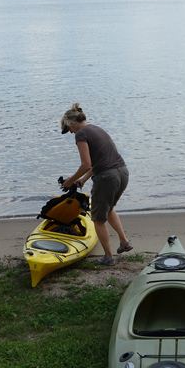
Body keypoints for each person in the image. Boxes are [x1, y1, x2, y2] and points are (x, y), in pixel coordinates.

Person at [59, 103, 132, 264]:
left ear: (71, 123)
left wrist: (68, 182)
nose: (70, 132)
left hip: (107, 177)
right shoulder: (97, 129)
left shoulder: (81, 134)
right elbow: (99, 161)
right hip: (122, 172)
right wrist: (83, 179)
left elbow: (85, 164)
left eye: (69, 129)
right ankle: (124, 242)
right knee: (109, 208)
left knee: (98, 220)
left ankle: (108, 257)